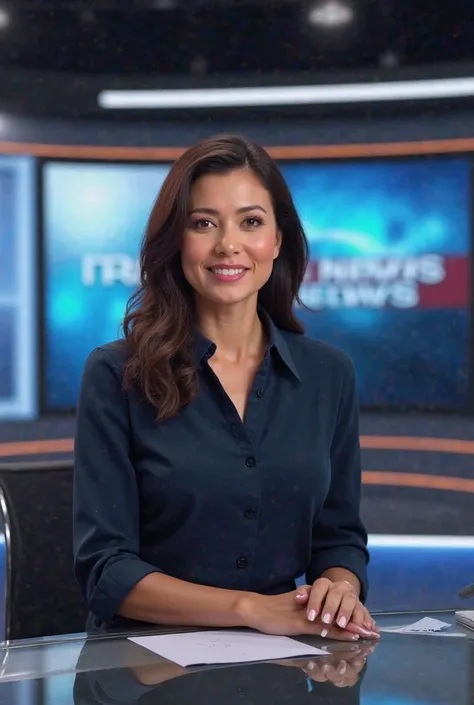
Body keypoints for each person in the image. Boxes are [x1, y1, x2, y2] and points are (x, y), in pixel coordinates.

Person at [73, 133, 379, 641]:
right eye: (203, 223)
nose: (227, 244)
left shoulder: (330, 374)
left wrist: (338, 586)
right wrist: (250, 609)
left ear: (278, 240)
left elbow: (340, 538)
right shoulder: (115, 374)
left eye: (251, 222)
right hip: (141, 667)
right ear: (177, 240)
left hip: (283, 663)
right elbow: (106, 570)